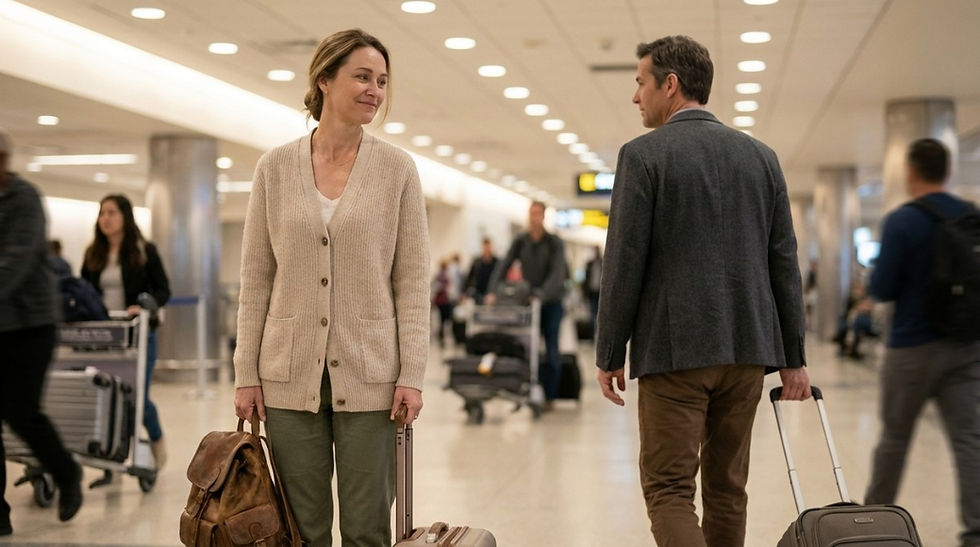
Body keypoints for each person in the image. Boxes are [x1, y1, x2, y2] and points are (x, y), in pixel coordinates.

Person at [593, 36, 811, 547]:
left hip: (675, 352)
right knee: (728, 488)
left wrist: (608, 352)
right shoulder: (762, 158)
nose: (635, 97)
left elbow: (624, 263)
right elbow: (784, 262)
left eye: (641, 83)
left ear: (670, 85)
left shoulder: (644, 156)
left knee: (669, 489)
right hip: (746, 353)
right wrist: (793, 356)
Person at [233, 28, 430, 547]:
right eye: (362, 76)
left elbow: (411, 282)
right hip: (286, 374)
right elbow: (256, 278)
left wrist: (412, 372)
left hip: (372, 376)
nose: (375, 90)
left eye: (382, 81)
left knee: (367, 528)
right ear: (324, 79)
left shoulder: (397, 170)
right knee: (302, 527)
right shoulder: (274, 169)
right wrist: (244, 373)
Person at [864, 138, 979, 547]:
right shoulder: (971, 216)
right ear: (946, 172)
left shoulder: (902, 221)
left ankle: (874, 526)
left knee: (895, 439)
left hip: (911, 347)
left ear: (911, 171)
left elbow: (882, 286)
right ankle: (976, 531)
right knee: (968, 440)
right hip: (965, 346)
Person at [0, 127, 83, 535]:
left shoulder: (25, 199)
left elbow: (14, 262)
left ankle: (66, 474)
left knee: (20, 411)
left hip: (31, 326)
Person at [81, 194, 171, 469]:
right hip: (105, 336)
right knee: (108, 394)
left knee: (137, 396)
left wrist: (145, 305)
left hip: (138, 334)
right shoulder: (93, 253)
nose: (105, 219)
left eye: (111, 213)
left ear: (125, 217)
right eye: (102, 213)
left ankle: (156, 439)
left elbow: (163, 289)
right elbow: (83, 290)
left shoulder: (144, 250)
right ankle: (113, 450)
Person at [486, 201, 567, 410]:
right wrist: (493, 290)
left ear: (544, 216)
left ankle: (550, 396)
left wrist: (542, 294)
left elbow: (558, 274)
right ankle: (530, 389)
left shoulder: (554, 243)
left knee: (551, 350)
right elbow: (505, 264)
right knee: (529, 349)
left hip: (552, 303)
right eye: (531, 213)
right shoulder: (521, 241)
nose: (534, 218)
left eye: (538, 213)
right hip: (529, 302)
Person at [464, 238, 498, 304]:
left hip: (492, 293)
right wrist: (464, 292)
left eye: (488, 247)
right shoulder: (477, 262)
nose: (487, 249)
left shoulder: (496, 262)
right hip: (479, 293)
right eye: (485, 247)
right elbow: (470, 276)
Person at [431, 259, 453, 348]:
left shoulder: (438, 276)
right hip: (444, 301)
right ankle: (441, 334)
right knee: (444, 319)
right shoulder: (444, 276)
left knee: (441, 319)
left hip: (439, 301)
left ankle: (441, 334)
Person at [582, 245, 602, 336]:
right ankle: (593, 333)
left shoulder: (604, 263)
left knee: (600, 313)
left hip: (600, 293)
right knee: (592, 314)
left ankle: (598, 332)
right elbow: (585, 279)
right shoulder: (590, 264)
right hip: (592, 292)